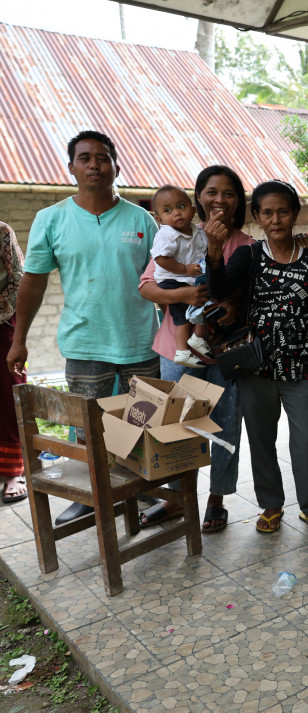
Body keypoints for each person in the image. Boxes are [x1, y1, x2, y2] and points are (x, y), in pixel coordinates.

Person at [6, 130, 160, 526]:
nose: (94, 164)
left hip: (141, 342)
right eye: (85, 158)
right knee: (86, 428)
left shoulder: (141, 219)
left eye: (103, 157)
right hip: (85, 343)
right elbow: (33, 281)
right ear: (71, 167)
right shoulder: (51, 219)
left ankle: (139, 490)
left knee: (141, 423)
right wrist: (19, 340)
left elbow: (163, 278)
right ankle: (92, 496)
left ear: (116, 167)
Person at [207, 180, 308, 534]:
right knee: (261, 440)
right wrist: (214, 250)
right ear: (257, 216)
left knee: (306, 440)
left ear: (294, 214)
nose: (276, 220)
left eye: (283, 212)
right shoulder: (248, 255)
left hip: (302, 366)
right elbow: (220, 289)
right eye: (268, 213)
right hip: (255, 366)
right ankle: (271, 505)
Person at [138, 165, 251, 532]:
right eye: (211, 192)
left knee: (224, 424)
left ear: (238, 201)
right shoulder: (177, 234)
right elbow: (147, 286)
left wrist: (235, 305)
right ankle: (177, 498)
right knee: (175, 425)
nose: (220, 200)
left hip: (226, 353)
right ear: (198, 197)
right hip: (178, 348)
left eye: (229, 193)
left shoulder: (248, 245)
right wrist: (184, 294)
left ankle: (217, 498)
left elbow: (253, 298)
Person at [149, 185, 211, 368]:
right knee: (183, 317)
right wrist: (184, 269)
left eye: (181, 207)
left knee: (205, 305)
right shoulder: (166, 235)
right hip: (172, 280)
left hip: (189, 279)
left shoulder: (197, 231)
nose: (176, 213)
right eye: (168, 211)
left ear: (193, 210)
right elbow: (161, 259)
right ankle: (182, 350)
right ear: (159, 219)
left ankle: (197, 338)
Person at [0, 221, 26, 504]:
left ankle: (13, 473)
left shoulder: (2, 232)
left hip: (3, 321)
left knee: (10, 394)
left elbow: (19, 277)